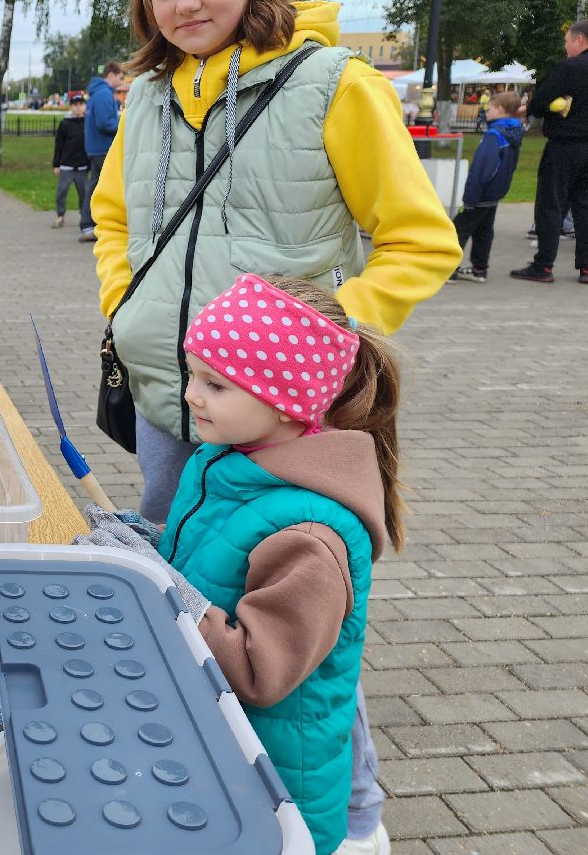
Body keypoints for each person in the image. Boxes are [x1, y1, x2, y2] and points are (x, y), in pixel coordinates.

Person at [92, 0, 460, 855]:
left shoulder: (333, 83)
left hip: (286, 420)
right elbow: (115, 217)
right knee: (191, 595)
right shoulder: (151, 95)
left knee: (300, 631)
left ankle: (356, 818)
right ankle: (205, 776)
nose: (185, 4)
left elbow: (420, 241)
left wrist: (317, 345)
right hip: (174, 402)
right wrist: (124, 307)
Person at [83, 273, 403, 855]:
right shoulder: (231, 461)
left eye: (216, 384)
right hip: (217, 752)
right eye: (191, 375)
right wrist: (147, 543)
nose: (191, 396)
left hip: (268, 794)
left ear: (288, 402)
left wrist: (155, 579)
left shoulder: (311, 535)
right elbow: (209, 564)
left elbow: (260, 671)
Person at [512, 19, 588, 284]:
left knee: (551, 203)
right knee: (584, 206)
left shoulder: (571, 67)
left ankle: (543, 266)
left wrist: (544, 106)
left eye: (567, 41)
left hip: (565, 145)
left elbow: (541, 101)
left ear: (580, 39)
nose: (566, 47)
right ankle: (586, 268)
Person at [448, 92, 523, 283]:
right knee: (483, 230)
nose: (486, 112)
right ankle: (479, 269)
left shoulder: (494, 135)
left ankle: (449, 270)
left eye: (489, 109)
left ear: (500, 109)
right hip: (494, 192)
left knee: (458, 229)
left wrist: (470, 197)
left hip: (481, 193)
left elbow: (483, 168)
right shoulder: (513, 133)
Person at [82, 61, 125, 241]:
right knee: (103, 187)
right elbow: (105, 123)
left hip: (95, 146)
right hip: (103, 147)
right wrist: (124, 123)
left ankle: (89, 224)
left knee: (95, 185)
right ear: (111, 75)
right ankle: (92, 224)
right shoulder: (104, 93)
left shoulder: (97, 93)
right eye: (120, 78)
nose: (121, 82)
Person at [51, 91, 91, 230]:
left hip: (82, 166)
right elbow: (59, 145)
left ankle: (83, 216)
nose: (78, 107)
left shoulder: (88, 122)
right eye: (75, 105)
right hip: (66, 165)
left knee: (84, 194)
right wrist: (57, 164)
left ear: (84, 106)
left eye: (80, 104)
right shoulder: (65, 124)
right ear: (71, 106)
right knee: (61, 192)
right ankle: (60, 215)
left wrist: (90, 163)